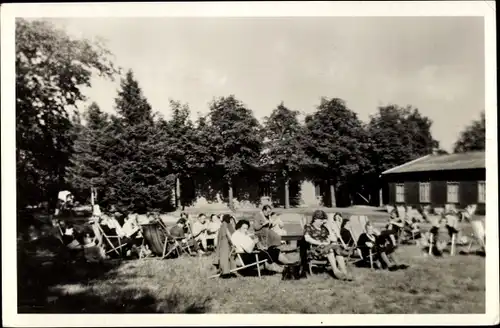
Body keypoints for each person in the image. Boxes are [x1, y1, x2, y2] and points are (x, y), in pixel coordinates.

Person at [303, 210, 353, 281]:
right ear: (315, 219)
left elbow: (333, 239)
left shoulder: (324, 228)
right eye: (321, 221)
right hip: (315, 250)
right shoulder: (308, 226)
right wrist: (319, 243)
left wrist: (328, 227)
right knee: (331, 249)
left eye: (323, 221)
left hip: (327, 247)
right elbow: (307, 238)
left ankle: (344, 272)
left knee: (336, 250)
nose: (322, 222)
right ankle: (336, 271)